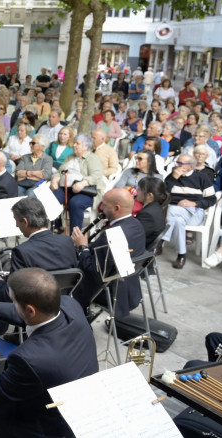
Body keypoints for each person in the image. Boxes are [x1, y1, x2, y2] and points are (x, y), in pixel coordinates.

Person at [0, 268, 98, 438]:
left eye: (13, 301)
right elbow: (25, 313)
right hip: (74, 406)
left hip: (43, 427)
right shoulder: (70, 305)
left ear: (30, 310)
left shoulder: (29, 359)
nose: (13, 304)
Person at [0, 198, 77, 301]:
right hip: (62, 298)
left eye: (16, 221)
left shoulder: (21, 251)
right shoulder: (67, 241)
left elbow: (11, 295)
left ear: (25, 222)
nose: (16, 225)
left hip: (34, 304)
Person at [71, 188, 146, 318]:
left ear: (117, 208)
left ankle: (78, 319)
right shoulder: (137, 224)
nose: (102, 209)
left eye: (105, 205)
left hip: (110, 292)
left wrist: (82, 247)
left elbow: (94, 272)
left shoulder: (112, 235)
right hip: (129, 289)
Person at [158, 153, 217, 269]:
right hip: (175, 214)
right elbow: (162, 196)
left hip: (194, 213)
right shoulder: (172, 177)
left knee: (172, 210)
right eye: (177, 163)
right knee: (177, 220)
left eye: (180, 163)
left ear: (191, 166)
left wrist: (194, 203)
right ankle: (181, 255)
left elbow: (212, 200)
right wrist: (173, 178)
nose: (177, 166)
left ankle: (160, 241)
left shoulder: (202, 178)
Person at [51, 134, 106, 231]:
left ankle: (75, 236)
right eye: (74, 143)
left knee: (75, 203)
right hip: (66, 188)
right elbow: (60, 172)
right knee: (53, 198)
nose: (74, 145)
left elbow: (96, 175)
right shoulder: (70, 157)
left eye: (78, 143)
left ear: (86, 146)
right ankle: (57, 226)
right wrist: (55, 180)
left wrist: (83, 183)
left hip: (86, 191)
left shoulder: (92, 158)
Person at [136, 176, 168, 249]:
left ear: (149, 195)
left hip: (138, 250)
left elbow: (134, 234)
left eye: (139, 189)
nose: (136, 190)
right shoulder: (157, 207)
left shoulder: (148, 214)